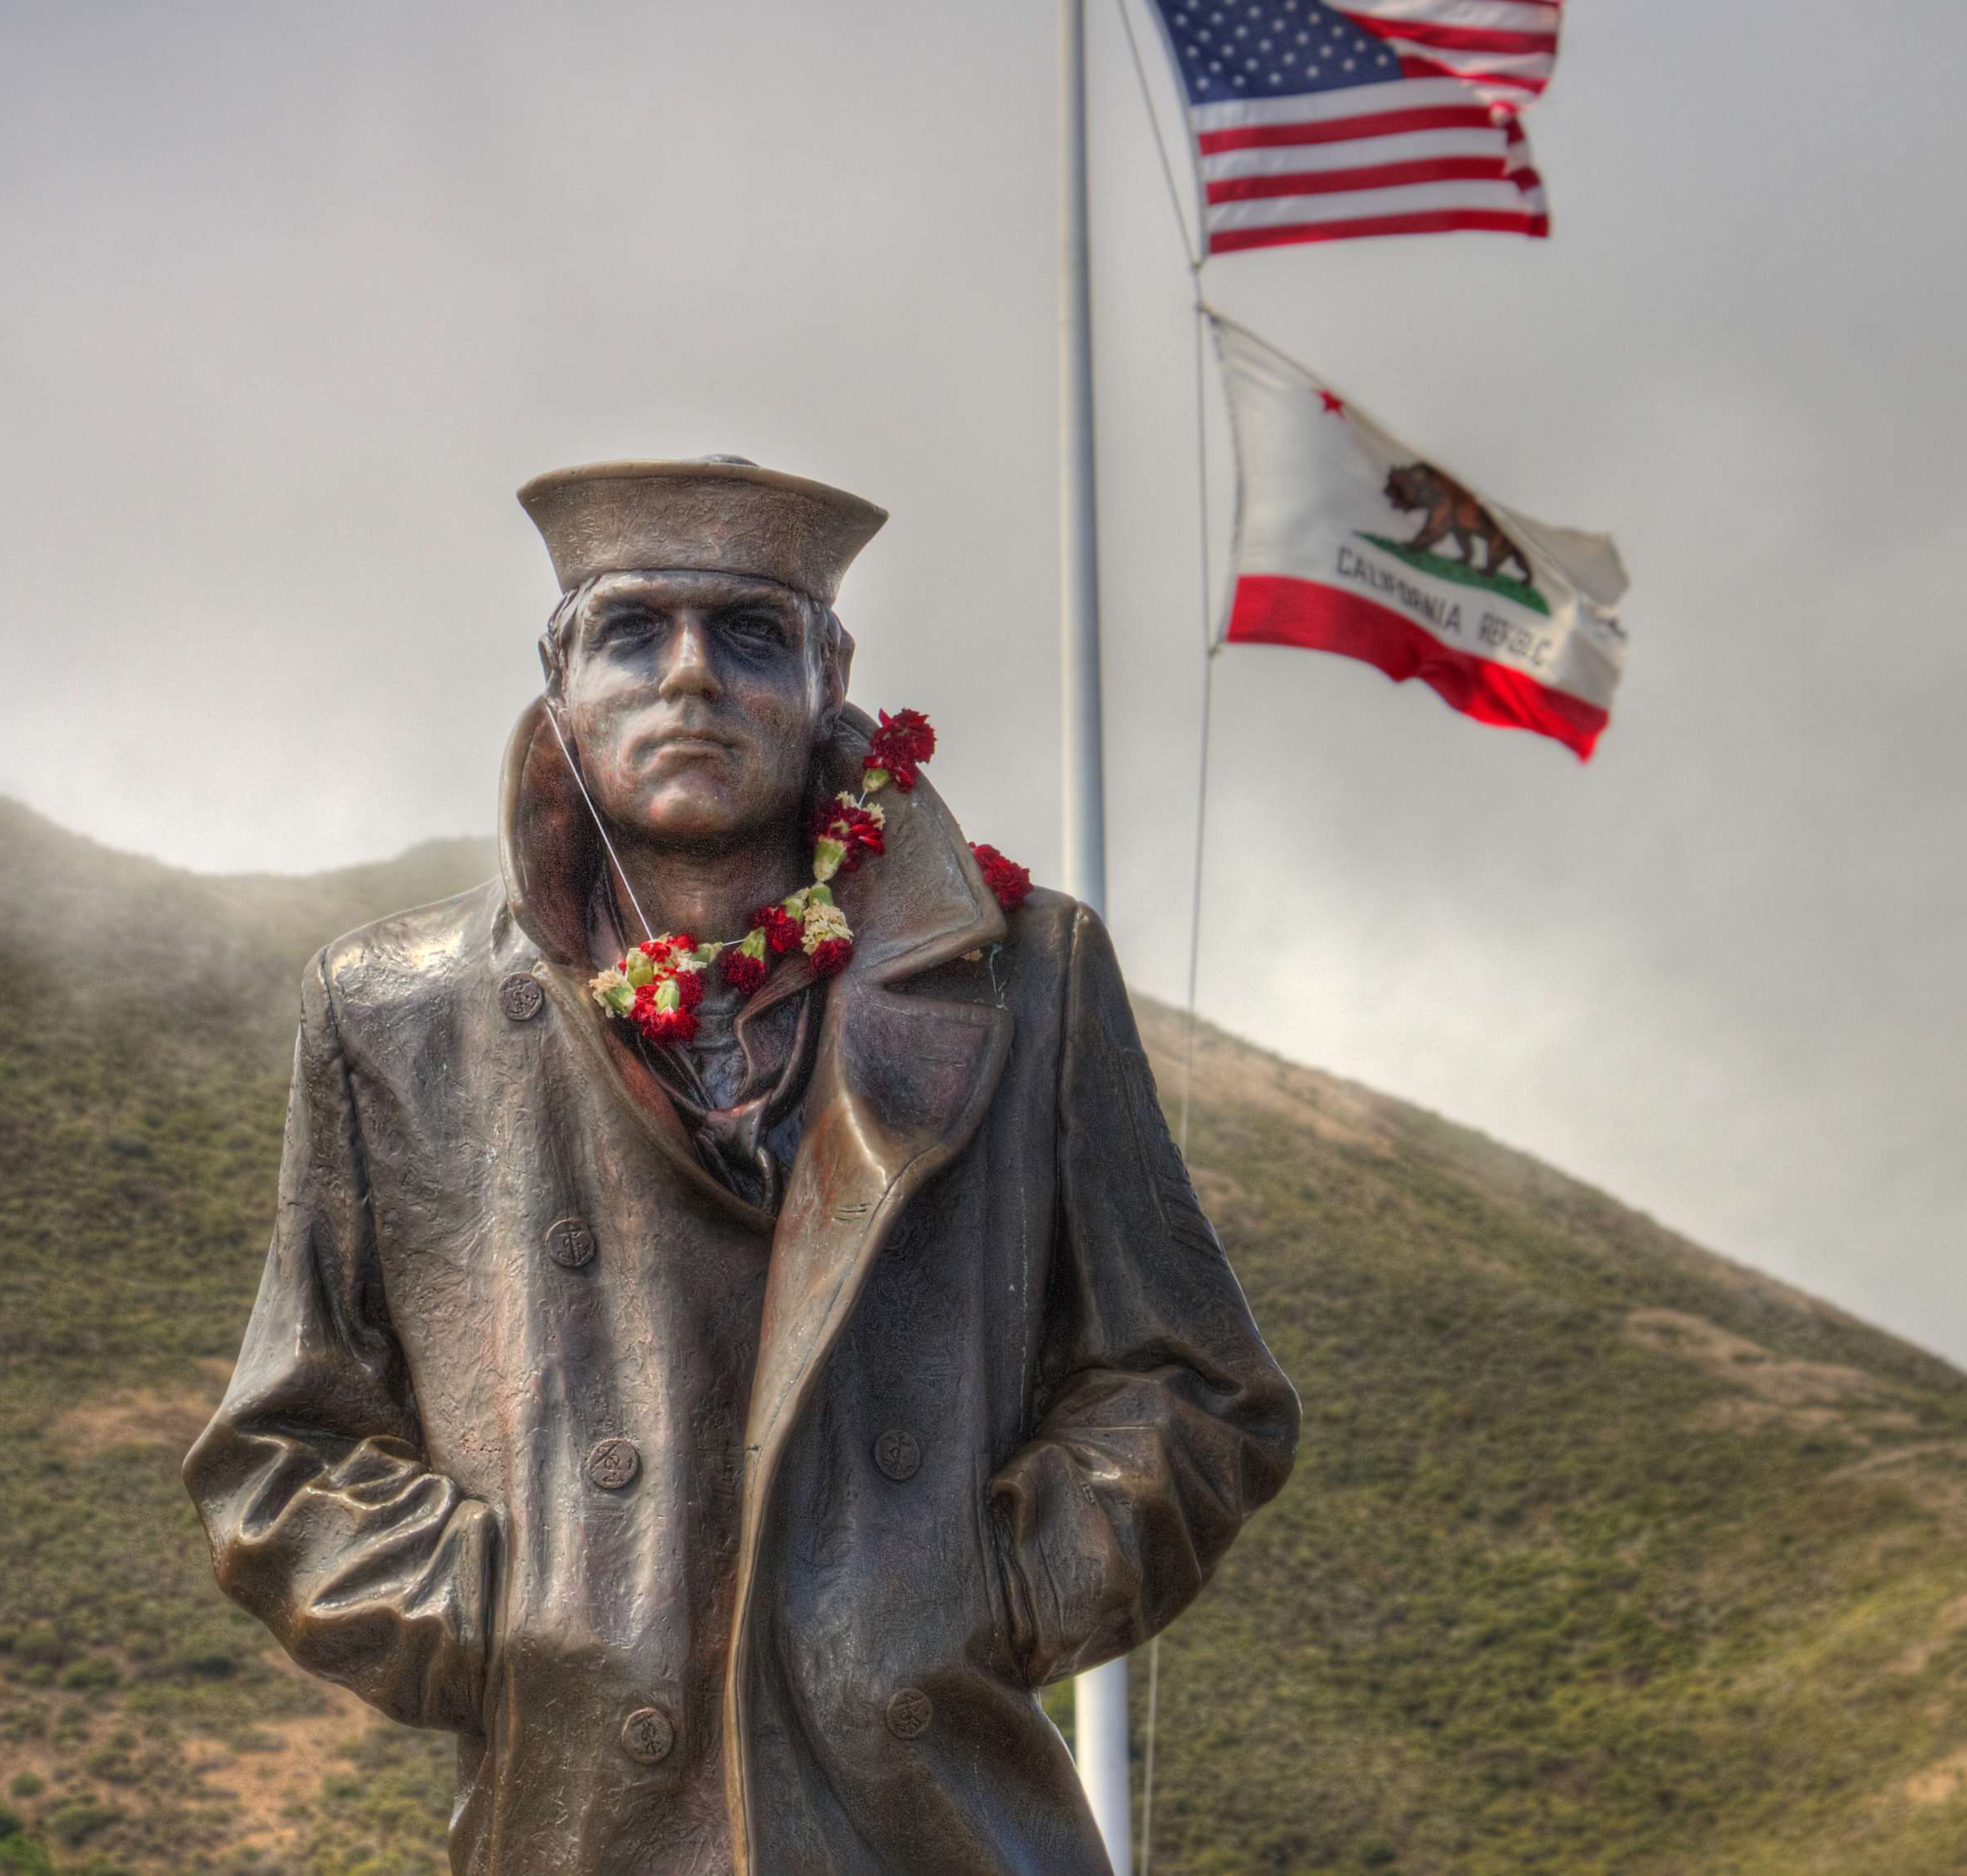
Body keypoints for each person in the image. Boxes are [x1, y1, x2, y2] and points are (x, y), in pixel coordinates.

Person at [185, 456, 1296, 1875]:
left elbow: (1200, 1388)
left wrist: (986, 1590)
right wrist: (505, 1619)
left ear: (832, 671)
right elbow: (283, 1449)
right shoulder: (393, 1009)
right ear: (560, 671)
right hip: (581, 1820)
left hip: (931, 1815)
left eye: (751, 633)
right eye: (635, 629)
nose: (691, 675)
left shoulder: (1033, 978)